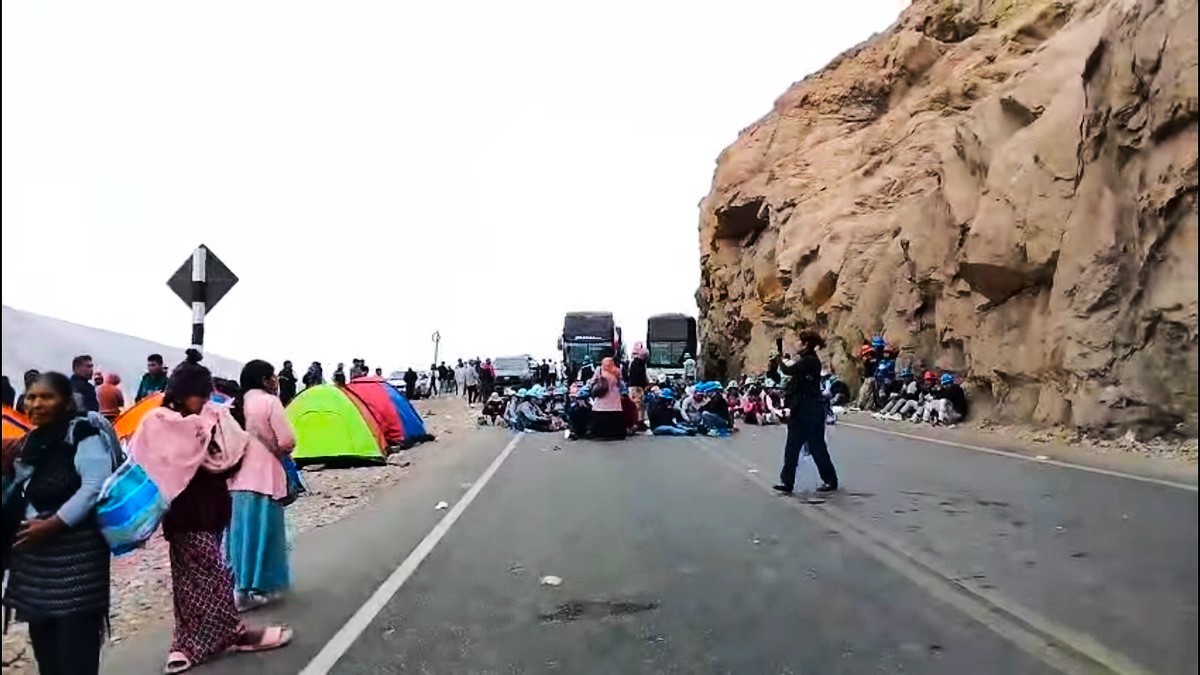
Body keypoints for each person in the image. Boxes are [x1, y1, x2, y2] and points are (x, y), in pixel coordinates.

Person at [128, 350, 292, 673]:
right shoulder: (158, 422)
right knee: (197, 578)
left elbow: (228, 457)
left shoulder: (211, 418)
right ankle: (196, 640)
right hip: (182, 513)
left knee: (208, 573)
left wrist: (207, 433)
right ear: (179, 392)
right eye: (197, 395)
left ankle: (211, 636)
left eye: (204, 396)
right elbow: (149, 466)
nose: (201, 401)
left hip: (213, 508)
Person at [3, 372, 116, 675]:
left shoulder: (83, 434)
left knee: (75, 649)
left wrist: (54, 524)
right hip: (36, 563)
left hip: (77, 556)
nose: (37, 404)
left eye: (46, 397)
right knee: (46, 650)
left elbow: (93, 486)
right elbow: (23, 491)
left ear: (66, 402)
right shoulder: (30, 442)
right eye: (31, 397)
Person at [227, 360, 296, 612]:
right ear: (265, 380)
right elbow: (287, 441)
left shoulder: (234, 404)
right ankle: (255, 589)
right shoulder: (269, 402)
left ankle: (237, 587)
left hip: (236, 480)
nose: (276, 380)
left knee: (239, 537)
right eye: (273, 376)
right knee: (264, 535)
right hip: (265, 478)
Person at [775, 330, 839, 494]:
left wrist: (779, 357)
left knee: (815, 446)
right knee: (794, 447)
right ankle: (787, 481)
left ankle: (830, 480)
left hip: (809, 411)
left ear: (805, 344)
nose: (796, 344)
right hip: (803, 410)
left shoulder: (810, 361)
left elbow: (788, 370)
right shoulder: (807, 360)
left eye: (799, 341)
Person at [587, 357, 626, 440]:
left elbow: (592, 381)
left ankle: (599, 434)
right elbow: (621, 384)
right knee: (614, 416)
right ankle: (615, 434)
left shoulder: (599, 370)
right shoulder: (616, 371)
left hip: (601, 397)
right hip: (614, 398)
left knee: (599, 415)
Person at [628, 344, 649, 428]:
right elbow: (640, 377)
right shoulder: (639, 364)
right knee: (638, 405)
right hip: (637, 387)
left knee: (638, 405)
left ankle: (637, 421)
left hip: (634, 387)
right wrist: (645, 385)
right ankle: (639, 422)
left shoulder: (634, 363)